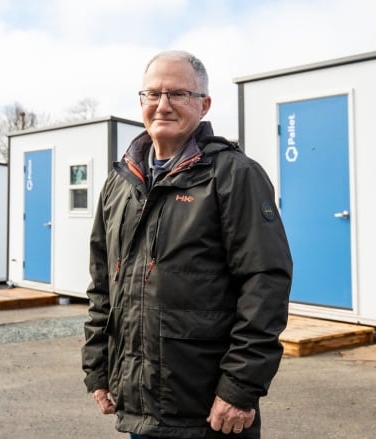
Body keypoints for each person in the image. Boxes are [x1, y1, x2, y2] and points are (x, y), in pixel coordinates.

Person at [81, 50, 293, 438]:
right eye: (153, 94)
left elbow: (265, 283)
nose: (163, 105)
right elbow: (102, 285)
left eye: (178, 94)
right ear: (141, 102)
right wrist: (98, 368)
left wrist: (240, 388)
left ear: (204, 104)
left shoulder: (233, 175)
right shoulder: (120, 184)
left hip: (209, 413)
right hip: (140, 409)